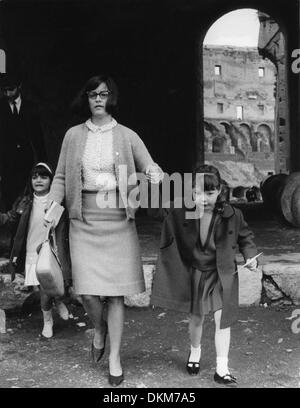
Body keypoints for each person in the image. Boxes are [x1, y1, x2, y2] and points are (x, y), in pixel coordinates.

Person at [45, 74, 162, 387]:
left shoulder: (126, 135)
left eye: (103, 94)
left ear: (112, 98)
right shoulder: (72, 136)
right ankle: (99, 330)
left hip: (118, 220)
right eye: (92, 95)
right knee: (86, 290)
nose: (98, 99)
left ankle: (114, 357)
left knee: (115, 294)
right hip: (83, 219)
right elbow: (59, 178)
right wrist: (52, 207)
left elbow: (150, 165)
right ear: (86, 99)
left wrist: (153, 173)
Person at [150, 164, 258, 386]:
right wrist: (153, 185)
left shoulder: (233, 215)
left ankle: (222, 368)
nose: (203, 198)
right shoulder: (181, 211)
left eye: (209, 193)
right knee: (197, 319)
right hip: (196, 272)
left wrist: (251, 256)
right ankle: (195, 351)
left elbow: (245, 237)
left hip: (221, 273)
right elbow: (155, 212)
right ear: (191, 191)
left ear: (219, 190)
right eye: (197, 193)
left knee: (222, 320)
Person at [0, 162, 70, 338]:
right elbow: (10, 218)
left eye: (43, 176)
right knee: (43, 288)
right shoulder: (25, 200)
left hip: (52, 249)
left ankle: (58, 300)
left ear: (51, 180)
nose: (38, 180)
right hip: (33, 250)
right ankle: (49, 319)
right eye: (34, 177)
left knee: (50, 284)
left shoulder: (58, 201)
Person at [0, 73, 47, 210]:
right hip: (5, 164)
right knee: (8, 203)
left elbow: (38, 139)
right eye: (4, 90)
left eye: (11, 89)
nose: (8, 93)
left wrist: (42, 164)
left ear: (19, 86)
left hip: (26, 163)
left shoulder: (31, 108)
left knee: (26, 201)